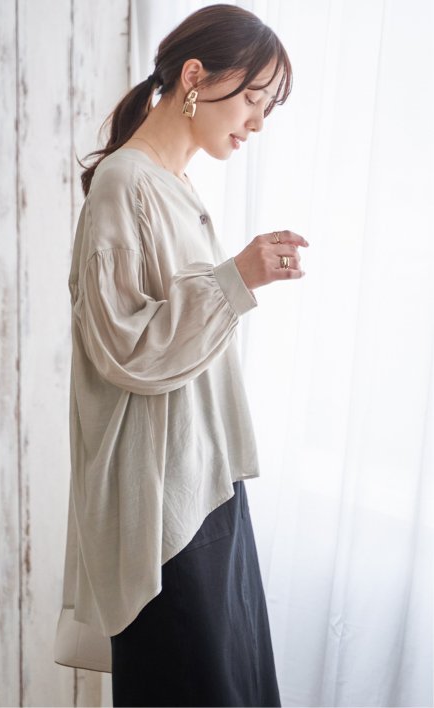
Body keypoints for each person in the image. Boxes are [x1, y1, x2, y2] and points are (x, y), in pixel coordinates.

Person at [55, 4, 308, 706]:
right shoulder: (124, 184)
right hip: (164, 504)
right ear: (195, 77)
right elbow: (125, 351)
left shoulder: (174, 185)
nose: (258, 122)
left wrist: (236, 278)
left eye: (268, 107)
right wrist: (236, 277)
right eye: (254, 98)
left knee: (232, 683)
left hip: (206, 480)